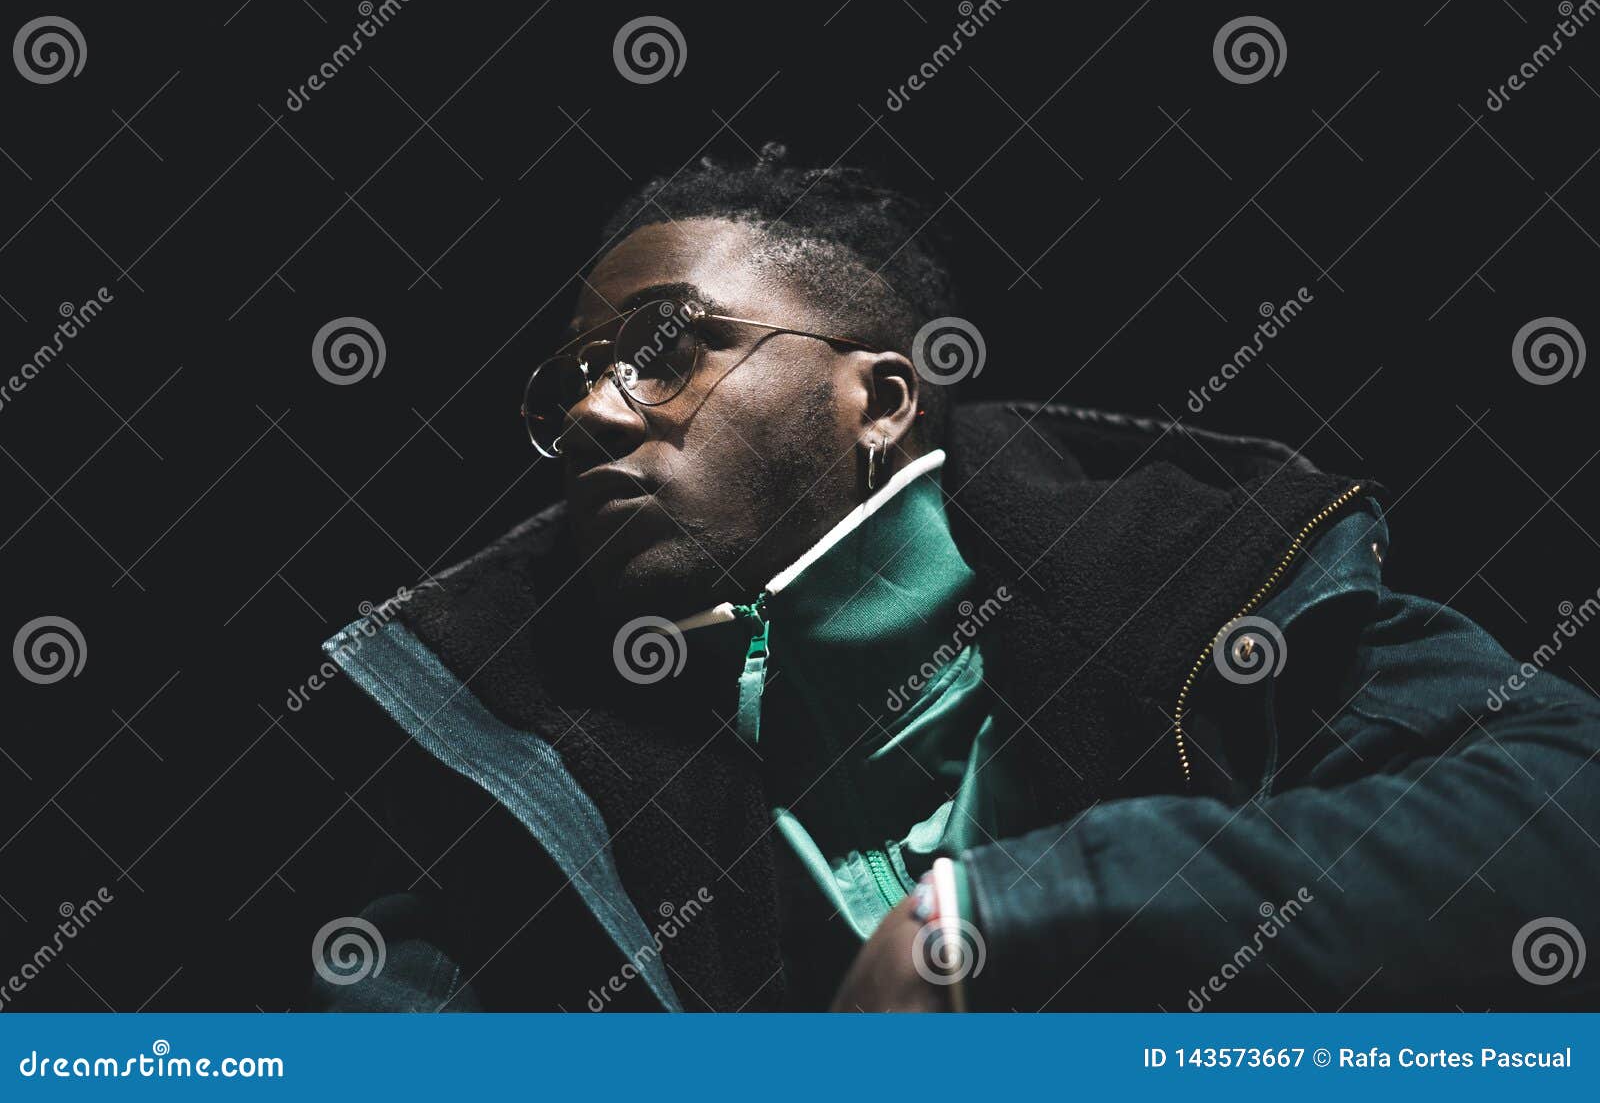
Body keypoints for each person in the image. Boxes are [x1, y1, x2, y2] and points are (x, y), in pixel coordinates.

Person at [313, 143, 1599, 1012]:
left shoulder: (1197, 576)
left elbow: (1564, 808)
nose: (595, 408)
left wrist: (1010, 913)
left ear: (875, 395)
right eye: (574, 378)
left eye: (664, 349)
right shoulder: (510, 786)